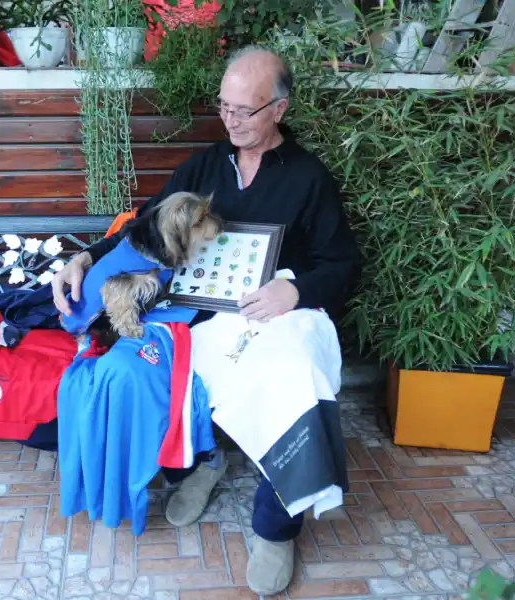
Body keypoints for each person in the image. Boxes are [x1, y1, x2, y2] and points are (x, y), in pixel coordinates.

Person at [52, 45, 362, 595]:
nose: (232, 120)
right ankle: (201, 464)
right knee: (140, 367)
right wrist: (84, 258)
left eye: (245, 110)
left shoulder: (309, 178)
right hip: (196, 312)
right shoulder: (204, 163)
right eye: (224, 107)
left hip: (276, 313)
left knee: (291, 378)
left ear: (280, 109)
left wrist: (296, 290)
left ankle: (275, 525)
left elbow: (342, 263)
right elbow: (144, 228)